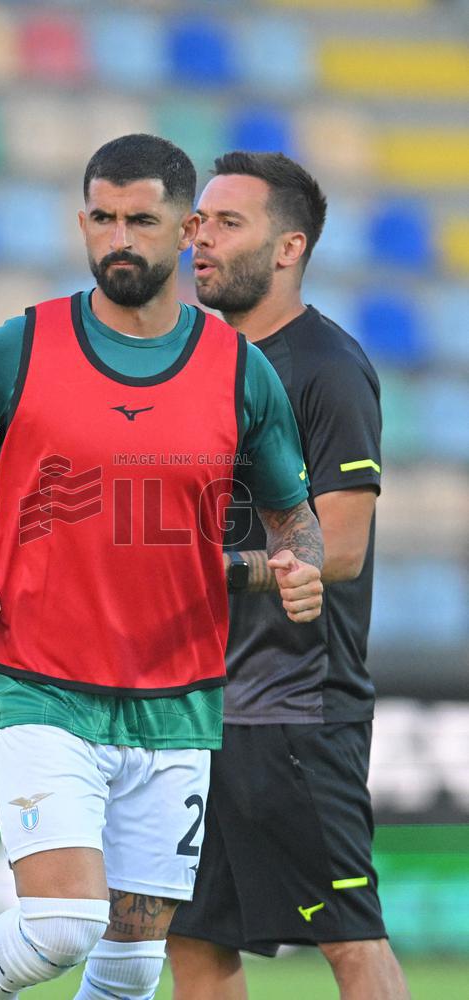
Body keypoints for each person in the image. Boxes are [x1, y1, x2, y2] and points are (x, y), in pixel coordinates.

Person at [0, 134, 324, 1000]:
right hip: (38, 681)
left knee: (129, 969)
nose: (117, 239)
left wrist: (298, 565)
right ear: (82, 219)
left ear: (188, 227)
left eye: (140, 220)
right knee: (64, 925)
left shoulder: (240, 371)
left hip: (179, 697)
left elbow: (294, 519)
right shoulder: (22, 346)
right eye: (101, 218)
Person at [167, 151, 410, 1000]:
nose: (200, 241)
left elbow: (337, 547)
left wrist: (205, 571)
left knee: (350, 940)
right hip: (193, 706)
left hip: (295, 707)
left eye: (228, 223)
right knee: (193, 941)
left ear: (288, 248)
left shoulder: (326, 368)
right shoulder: (190, 362)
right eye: (198, 222)